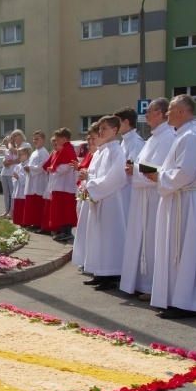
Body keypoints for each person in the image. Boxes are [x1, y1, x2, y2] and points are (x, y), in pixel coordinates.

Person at [145, 95, 196, 319]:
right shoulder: (184, 135)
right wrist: (160, 173)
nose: (166, 114)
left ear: (181, 111)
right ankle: (175, 298)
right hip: (177, 198)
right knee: (175, 249)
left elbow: (184, 172)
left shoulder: (191, 137)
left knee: (180, 250)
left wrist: (159, 175)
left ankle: (184, 303)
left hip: (182, 200)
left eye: (170, 110)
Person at [120, 98, 175, 300]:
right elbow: (145, 164)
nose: (146, 116)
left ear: (160, 113)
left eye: (150, 112)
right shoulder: (153, 138)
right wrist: (133, 167)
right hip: (142, 195)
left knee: (151, 240)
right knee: (140, 238)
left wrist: (133, 168)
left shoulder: (167, 137)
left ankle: (151, 285)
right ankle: (139, 282)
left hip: (153, 197)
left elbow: (159, 169)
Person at [81, 116, 127, 291]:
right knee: (97, 236)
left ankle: (111, 275)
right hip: (98, 197)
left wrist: (92, 186)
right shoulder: (102, 150)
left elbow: (116, 177)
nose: (101, 132)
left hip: (110, 200)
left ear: (115, 130)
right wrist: (88, 185)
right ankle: (99, 272)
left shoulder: (116, 151)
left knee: (109, 238)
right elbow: (94, 174)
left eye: (105, 128)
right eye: (100, 129)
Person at [71, 124, 101, 269]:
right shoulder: (92, 155)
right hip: (84, 191)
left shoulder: (101, 153)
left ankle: (88, 259)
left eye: (92, 140)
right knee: (82, 225)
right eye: (88, 141)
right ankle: (84, 258)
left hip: (92, 192)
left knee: (88, 227)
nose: (90, 144)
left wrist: (86, 173)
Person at [45, 128, 78, 242]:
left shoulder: (67, 149)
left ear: (64, 139)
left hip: (65, 186)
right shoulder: (65, 149)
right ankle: (64, 231)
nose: (56, 142)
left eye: (58, 139)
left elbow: (66, 166)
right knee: (62, 210)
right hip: (62, 185)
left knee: (65, 210)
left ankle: (66, 232)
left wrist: (54, 169)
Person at [114, 106, 145, 220]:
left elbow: (131, 167)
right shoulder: (124, 141)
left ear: (126, 122)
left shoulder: (136, 142)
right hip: (122, 188)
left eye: (117, 122)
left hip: (130, 190)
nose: (115, 126)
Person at [23, 130, 50, 231]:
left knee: (38, 205)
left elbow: (43, 166)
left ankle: (38, 223)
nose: (35, 141)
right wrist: (28, 168)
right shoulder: (35, 152)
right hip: (32, 180)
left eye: (37, 139)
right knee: (32, 204)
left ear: (43, 140)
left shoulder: (44, 152)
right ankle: (32, 222)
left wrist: (30, 168)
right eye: (34, 139)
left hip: (39, 181)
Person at [0, 132, 22, 219]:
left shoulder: (15, 150)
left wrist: (10, 142)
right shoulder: (6, 150)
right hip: (4, 173)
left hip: (12, 173)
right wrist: (2, 143)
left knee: (12, 193)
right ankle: (6, 210)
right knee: (6, 193)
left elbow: (16, 157)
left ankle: (12, 211)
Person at [11, 143, 32, 226]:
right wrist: (15, 178)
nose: (19, 156)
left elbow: (27, 178)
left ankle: (24, 222)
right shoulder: (17, 166)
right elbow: (13, 179)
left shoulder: (27, 165)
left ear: (26, 155)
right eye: (18, 155)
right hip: (18, 189)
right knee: (18, 205)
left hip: (23, 190)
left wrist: (19, 177)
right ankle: (18, 220)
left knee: (23, 206)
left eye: (21, 155)